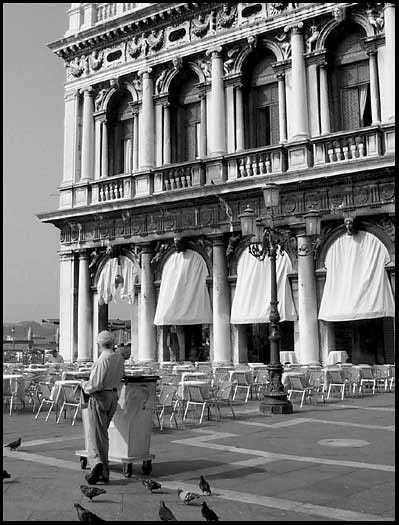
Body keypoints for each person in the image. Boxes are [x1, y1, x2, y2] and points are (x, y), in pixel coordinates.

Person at [82, 330, 124, 485]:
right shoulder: (118, 357)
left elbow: (95, 384)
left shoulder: (102, 360)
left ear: (98, 343)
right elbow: (121, 377)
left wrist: (84, 386)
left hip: (99, 396)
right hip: (113, 396)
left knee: (95, 434)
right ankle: (102, 469)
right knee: (102, 434)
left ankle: (98, 465)